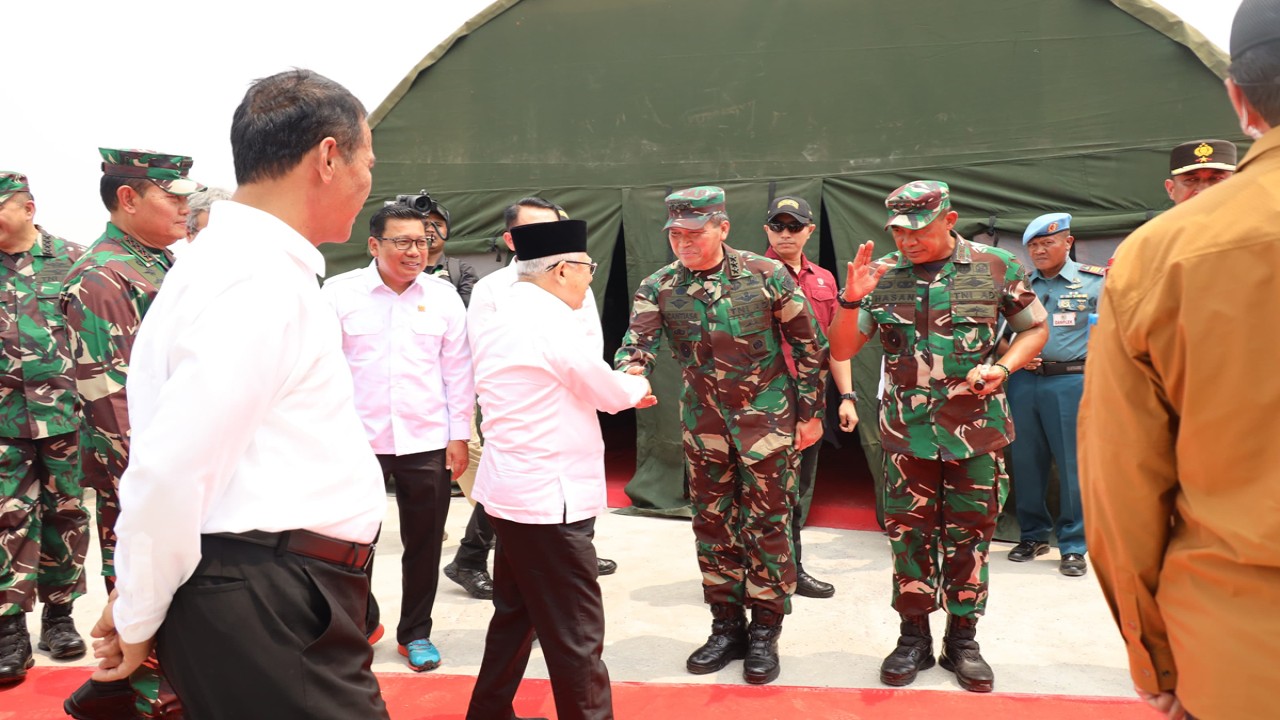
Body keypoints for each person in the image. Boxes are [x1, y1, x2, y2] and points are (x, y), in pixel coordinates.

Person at [87, 68, 389, 720]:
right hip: (267, 599)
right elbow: (172, 471)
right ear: (328, 158)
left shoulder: (240, 268)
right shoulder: (252, 281)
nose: (371, 180)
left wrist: (140, 590)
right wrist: (138, 615)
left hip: (276, 590)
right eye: (368, 160)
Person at [1079, 2, 1280, 717]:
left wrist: (1153, 654)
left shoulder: (1160, 260)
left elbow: (1122, 481)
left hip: (1244, 660)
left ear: (1237, 97)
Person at [826, 180, 1047, 693]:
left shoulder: (995, 267)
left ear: (949, 220)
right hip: (908, 437)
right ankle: (913, 638)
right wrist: (851, 298)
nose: (907, 241)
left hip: (977, 435)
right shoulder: (881, 275)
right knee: (909, 539)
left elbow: (1034, 328)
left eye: (918, 230)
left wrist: (1005, 367)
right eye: (899, 231)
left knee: (971, 538)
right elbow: (841, 348)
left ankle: (963, 641)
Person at [615, 186, 828, 685]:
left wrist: (810, 414)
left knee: (769, 527)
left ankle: (765, 633)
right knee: (712, 527)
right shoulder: (661, 285)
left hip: (768, 424)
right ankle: (725, 627)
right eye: (675, 234)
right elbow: (636, 343)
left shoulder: (766, 275)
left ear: (722, 228)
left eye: (694, 233)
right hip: (704, 427)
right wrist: (630, 377)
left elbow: (809, 347)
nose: (683, 243)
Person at [466, 218, 652, 720]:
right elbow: (607, 392)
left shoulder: (503, 312)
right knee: (576, 633)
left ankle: (488, 711)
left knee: (515, 614)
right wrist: (634, 385)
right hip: (549, 498)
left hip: (514, 492)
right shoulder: (547, 319)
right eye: (588, 268)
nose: (591, 278)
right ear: (562, 269)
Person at [61, 149, 202, 720]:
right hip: (143, 487)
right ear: (128, 198)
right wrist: (162, 493)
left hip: (176, 477)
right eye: (172, 196)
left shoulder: (159, 263)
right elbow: (115, 407)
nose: (184, 207)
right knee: (145, 615)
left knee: (174, 617)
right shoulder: (102, 277)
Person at [323, 202, 473, 672]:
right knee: (351, 542)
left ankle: (417, 633)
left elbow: (458, 371)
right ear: (374, 244)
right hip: (356, 441)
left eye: (424, 242)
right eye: (403, 241)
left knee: (424, 543)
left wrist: (459, 434)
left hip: (426, 440)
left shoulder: (443, 297)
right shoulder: (338, 293)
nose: (416, 251)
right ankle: (359, 626)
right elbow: (321, 370)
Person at [444, 197, 618, 601]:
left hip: (573, 392)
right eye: (537, 228)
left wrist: (592, 382)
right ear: (511, 238)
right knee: (518, 491)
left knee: (558, 489)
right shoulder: (494, 289)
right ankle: (482, 564)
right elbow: (483, 352)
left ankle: (569, 557)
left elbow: (589, 338)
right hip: (520, 404)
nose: (551, 235)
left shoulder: (573, 273)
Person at [0, 171, 88, 685]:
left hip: (65, 418)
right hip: (4, 422)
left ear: (27, 208)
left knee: (66, 514)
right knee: (7, 519)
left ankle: (59, 617)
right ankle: (9, 628)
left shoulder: (73, 260)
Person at [761, 195, 856, 600]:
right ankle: (748, 574)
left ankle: (792, 571)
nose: (786, 234)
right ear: (766, 230)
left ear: (808, 231)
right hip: (761, 401)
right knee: (757, 494)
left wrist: (847, 395)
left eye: (794, 226)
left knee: (796, 491)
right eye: (778, 226)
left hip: (809, 402)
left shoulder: (823, 280)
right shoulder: (750, 274)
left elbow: (836, 343)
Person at [1004, 213, 1104, 577]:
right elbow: (999, 331)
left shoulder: (1095, 283)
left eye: (1047, 242)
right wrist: (1012, 357)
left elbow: (1112, 333)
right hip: (1023, 382)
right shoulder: (1019, 285)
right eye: (1033, 245)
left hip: (1071, 382)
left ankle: (1074, 544)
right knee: (1026, 462)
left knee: (1073, 465)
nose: (1040, 250)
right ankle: (1032, 535)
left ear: (1068, 242)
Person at [422, 203, 479, 307]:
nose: (430, 229)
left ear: (447, 231)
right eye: (424, 224)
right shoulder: (399, 268)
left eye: (437, 225)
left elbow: (468, 313)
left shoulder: (462, 271)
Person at [1164, 139, 1236, 206]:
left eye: (1216, 178)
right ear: (1171, 189)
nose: (1203, 191)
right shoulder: (1159, 220)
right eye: (1191, 180)